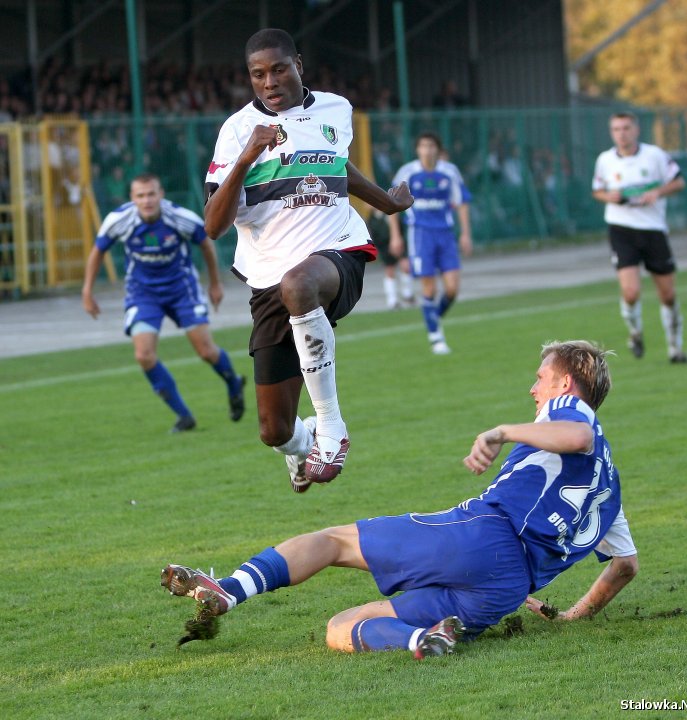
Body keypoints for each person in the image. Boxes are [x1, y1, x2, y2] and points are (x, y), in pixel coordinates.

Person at [160, 340, 638, 659]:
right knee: (340, 627)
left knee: (331, 541)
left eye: (540, 378)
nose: (533, 388)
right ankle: (420, 640)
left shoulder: (568, 409)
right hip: (505, 592)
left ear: (566, 384)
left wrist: (502, 432)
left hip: (484, 538)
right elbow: (624, 566)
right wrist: (574, 614)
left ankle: (230, 589)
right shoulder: (610, 487)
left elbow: (576, 434)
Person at [202, 28, 413, 492]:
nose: (270, 82)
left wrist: (386, 202)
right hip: (267, 278)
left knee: (299, 284)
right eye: (258, 74)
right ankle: (305, 442)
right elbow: (214, 226)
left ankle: (331, 426)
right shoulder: (237, 130)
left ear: (299, 64)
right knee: (273, 430)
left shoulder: (337, 108)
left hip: (338, 253)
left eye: (278, 69)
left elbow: (335, 165)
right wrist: (247, 157)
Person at [82, 173, 246, 433]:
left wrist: (215, 284)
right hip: (143, 293)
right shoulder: (119, 220)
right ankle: (184, 416)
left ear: (161, 195)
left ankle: (233, 384)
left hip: (182, 290)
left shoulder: (180, 218)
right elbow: (97, 251)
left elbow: (206, 244)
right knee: (143, 356)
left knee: (205, 351)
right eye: (140, 195)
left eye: (151, 194)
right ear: (132, 198)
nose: (146, 200)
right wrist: (87, 290)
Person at [592, 111, 687, 363]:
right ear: (611, 132)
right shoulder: (605, 160)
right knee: (631, 291)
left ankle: (675, 349)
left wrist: (658, 191)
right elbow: (597, 190)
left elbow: (678, 182)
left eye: (626, 128)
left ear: (636, 130)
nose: (621, 134)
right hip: (621, 229)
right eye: (616, 129)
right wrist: (608, 197)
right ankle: (635, 333)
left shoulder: (654, 155)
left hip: (653, 229)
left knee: (667, 294)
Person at [389, 132, 472, 354]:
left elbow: (462, 202)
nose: (427, 150)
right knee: (430, 288)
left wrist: (465, 233)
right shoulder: (408, 172)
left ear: (438, 149)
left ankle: (432, 318)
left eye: (431, 146)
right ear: (417, 150)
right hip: (420, 235)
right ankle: (436, 338)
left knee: (453, 289)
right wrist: (396, 235)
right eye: (423, 146)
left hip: (445, 234)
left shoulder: (449, 171)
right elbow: (391, 203)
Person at [366, 207, 414, 310]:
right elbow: (374, 235)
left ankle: (407, 294)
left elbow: (400, 227)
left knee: (405, 265)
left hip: (398, 242)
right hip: (384, 246)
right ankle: (392, 300)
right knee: (390, 269)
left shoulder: (390, 213)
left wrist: (397, 239)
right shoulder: (372, 219)